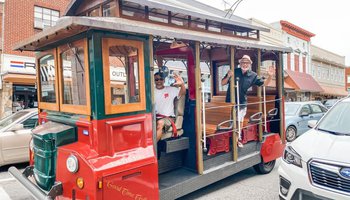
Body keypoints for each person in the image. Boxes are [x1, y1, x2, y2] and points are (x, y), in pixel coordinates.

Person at [221, 55, 274, 147]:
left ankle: (237, 140)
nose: (245, 64)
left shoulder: (253, 75)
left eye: (247, 63)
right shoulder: (234, 71)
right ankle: (231, 139)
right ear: (240, 63)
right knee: (231, 121)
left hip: (242, 102)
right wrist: (228, 76)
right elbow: (223, 83)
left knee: (239, 120)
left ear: (249, 64)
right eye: (243, 62)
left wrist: (270, 76)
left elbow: (264, 84)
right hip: (230, 101)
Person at [155, 72, 186, 141]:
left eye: (161, 79)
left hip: (168, 118)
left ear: (164, 80)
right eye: (156, 80)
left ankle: (153, 148)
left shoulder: (171, 89)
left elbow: (183, 93)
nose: (159, 81)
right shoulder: (152, 92)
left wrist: (182, 84)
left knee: (160, 123)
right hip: (155, 117)